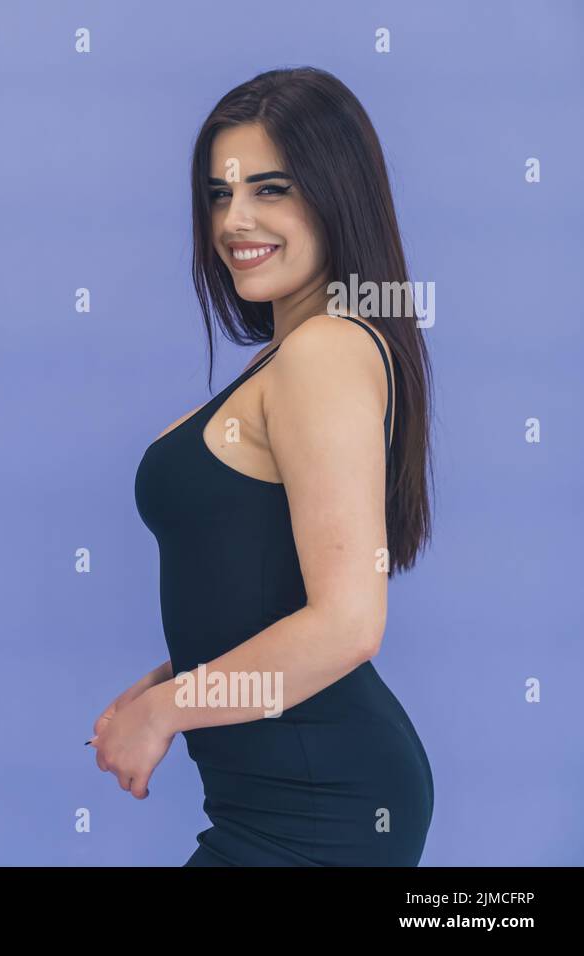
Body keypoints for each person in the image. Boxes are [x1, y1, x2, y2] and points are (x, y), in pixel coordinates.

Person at [91, 67, 436, 865]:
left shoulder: (326, 352)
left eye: (269, 189)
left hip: (320, 806)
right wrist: (170, 679)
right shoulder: (295, 356)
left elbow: (349, 624)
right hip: (282, 794)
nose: (234, 221)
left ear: (334, 195)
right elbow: (258, 588)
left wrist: (171, 709)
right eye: (219, 194)